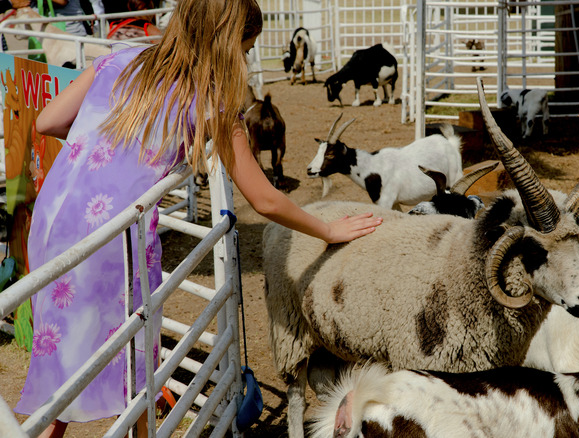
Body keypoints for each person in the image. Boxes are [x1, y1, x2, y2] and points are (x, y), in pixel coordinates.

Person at [13, 0, 382, 437]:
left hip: (54, 217)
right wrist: (327, 228)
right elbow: (264, 199)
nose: (244, 61)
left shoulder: (121, 58)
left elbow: (47, 120)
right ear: (227, 46)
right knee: (133, 354)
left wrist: (100, 150)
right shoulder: (212, 103)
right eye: (245, 50)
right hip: (112, 236)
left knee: (71, 349)